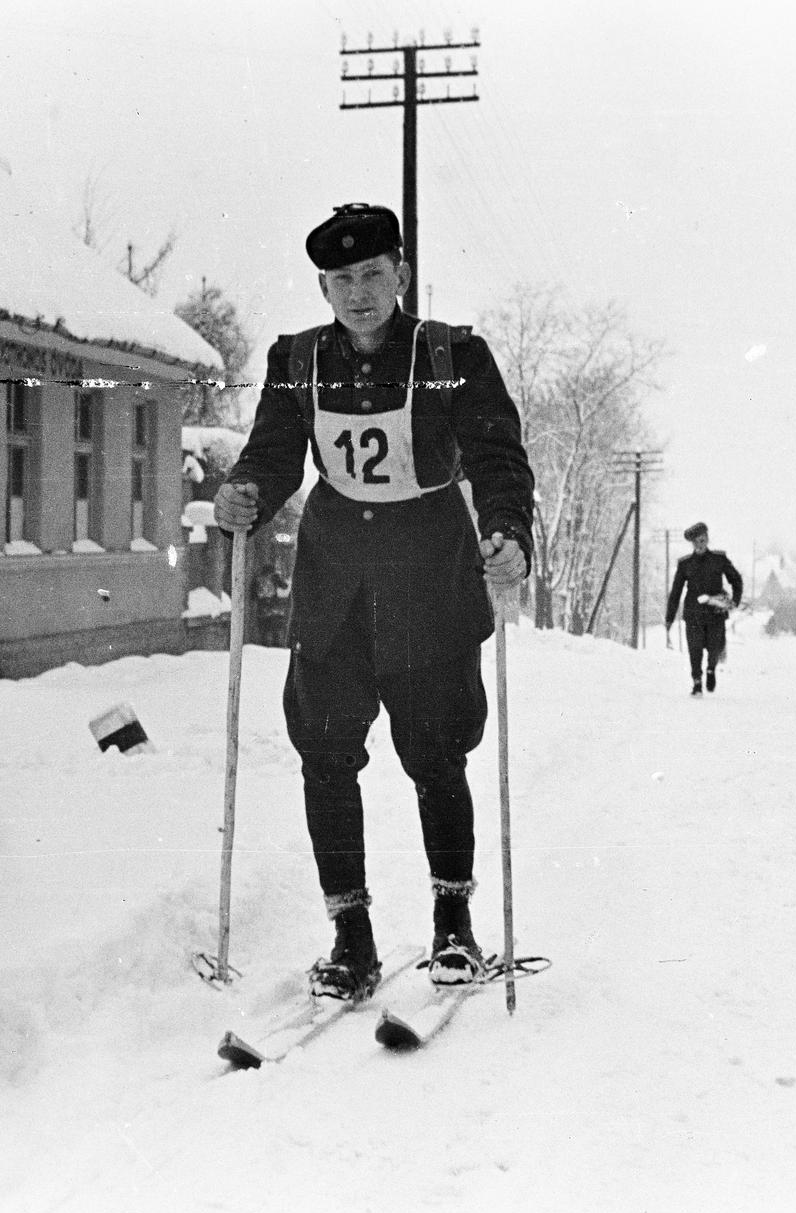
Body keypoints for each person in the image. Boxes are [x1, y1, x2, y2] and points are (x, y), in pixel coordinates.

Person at [213, 203, 534, 1000]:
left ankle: (453, 927)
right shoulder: (297, 360)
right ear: (324, 286)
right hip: (334, 577)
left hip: (429, 567)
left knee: (434, 749)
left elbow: (498, 455)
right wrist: (245, 492)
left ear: (402, 275)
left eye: (373, 275)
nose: (359, 293)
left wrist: (504, 529)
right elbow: (274, 453)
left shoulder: (451, 353)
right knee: (323, 752)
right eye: (342, 279)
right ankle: (350, 937)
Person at [665, 521, 743, 696]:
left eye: (702, 540)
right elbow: (676, 592)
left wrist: (734, 602)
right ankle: (697, 682)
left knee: (715, 647)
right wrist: (669, 617)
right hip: (693, 614)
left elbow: (736, 579)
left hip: (715, 613)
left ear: (707, 539)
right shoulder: (685, 564)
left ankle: (710, 670)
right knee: (695, 649)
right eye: (696, 542)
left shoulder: (719, 559)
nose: (699, 545)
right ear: (692, 544)